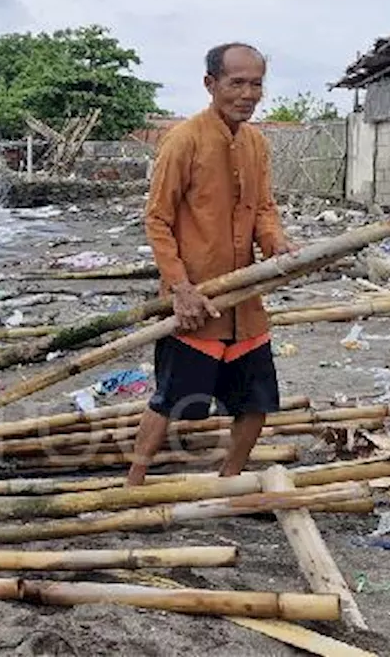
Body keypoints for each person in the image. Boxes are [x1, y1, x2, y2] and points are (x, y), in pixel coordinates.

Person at [127, 42, 295, 487]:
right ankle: (134, 482)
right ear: (210, 84)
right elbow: (158, 219)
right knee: (170, 400)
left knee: (257, 401)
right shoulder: (184, 140)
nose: (247, 93)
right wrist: (180, 287)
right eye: (236, 82)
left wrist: (276, 242)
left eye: (255, 84)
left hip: (244, 299)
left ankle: (229, 478)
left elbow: (264, 207)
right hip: (196, 301)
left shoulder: (256, 143)